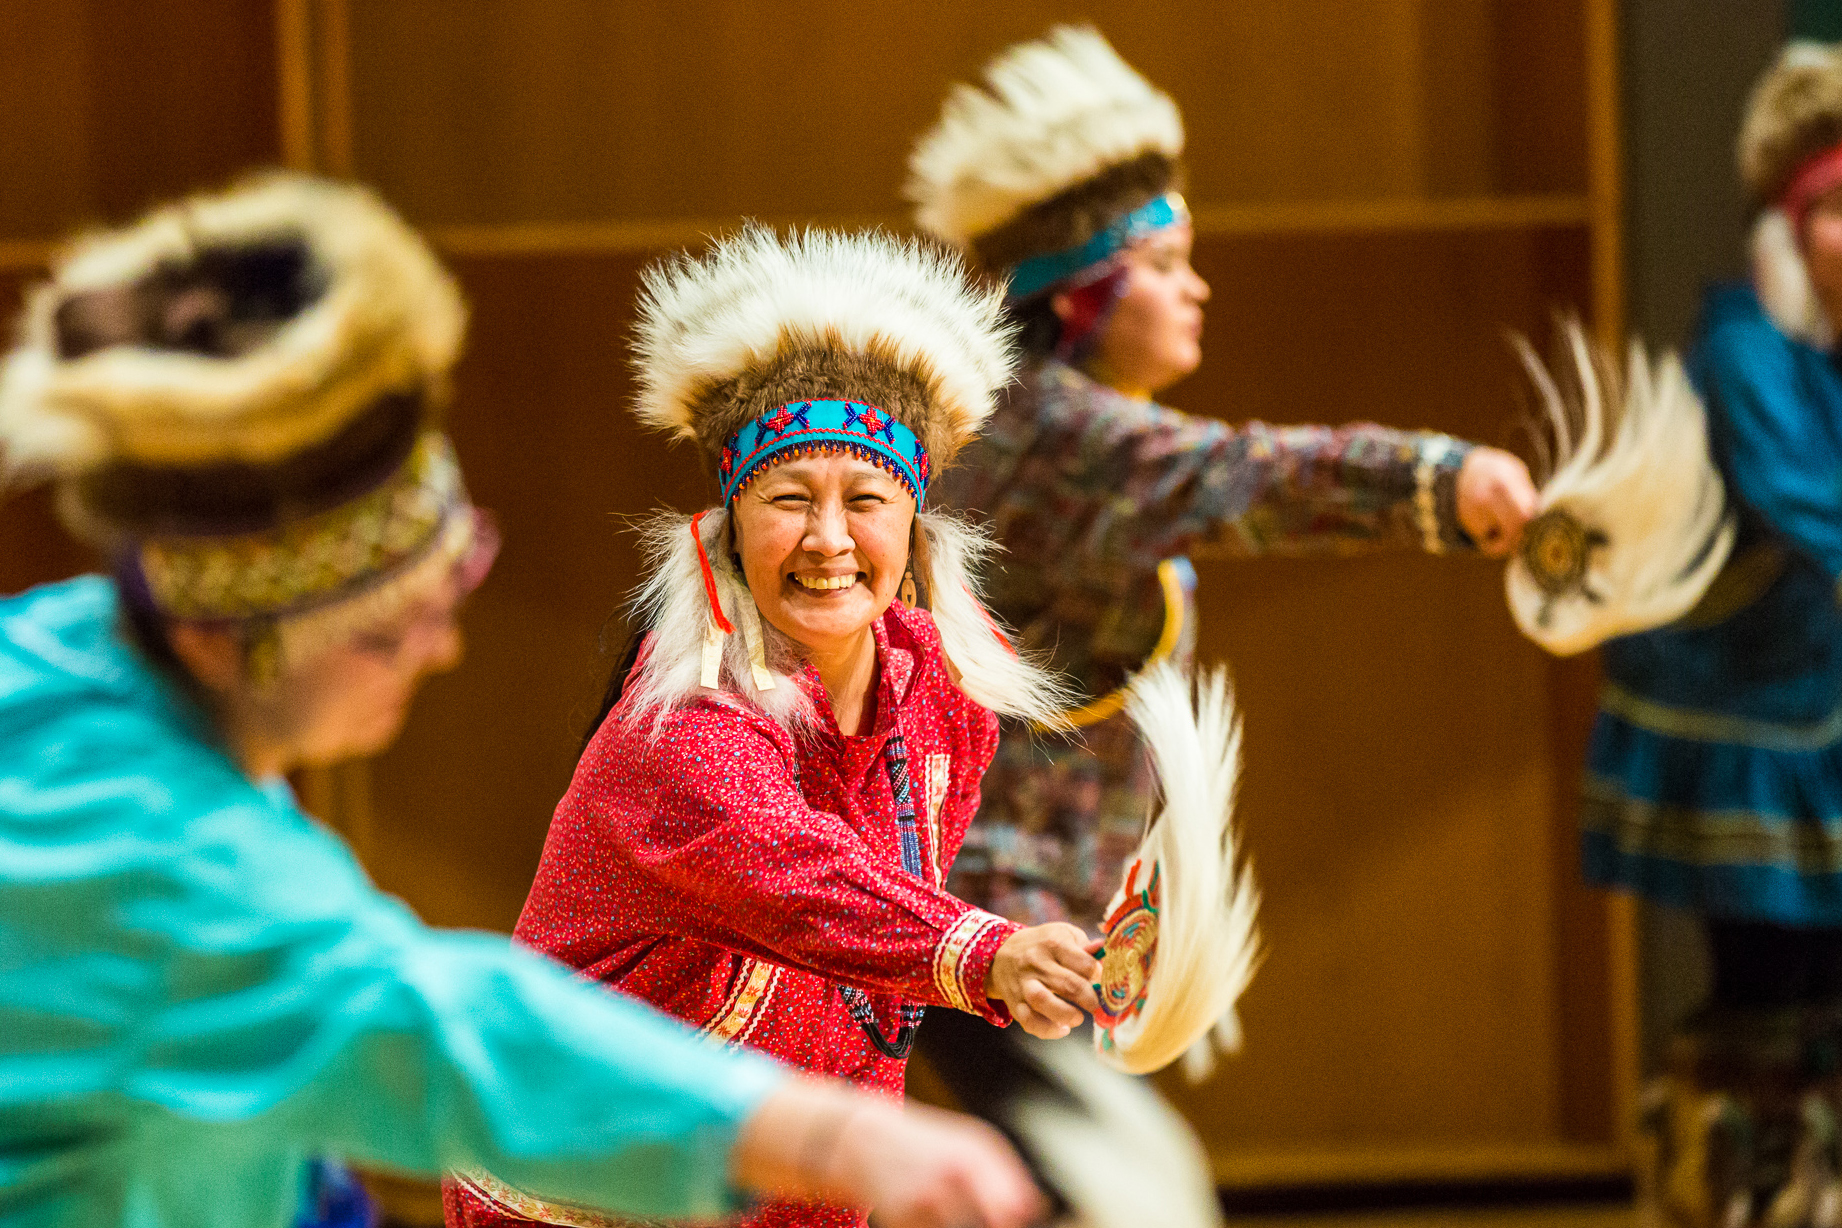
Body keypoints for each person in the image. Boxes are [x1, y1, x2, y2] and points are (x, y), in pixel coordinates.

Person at [0, 175, 1046, 1228]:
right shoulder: (175, 871)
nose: (443, 646)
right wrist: (836, 1137)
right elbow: (439, 1031)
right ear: (226, 640)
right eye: (389, 622)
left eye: (451, 581)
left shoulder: (63, 646)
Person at [900, 23, 1540, 1217]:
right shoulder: (1069, 440)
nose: (1199, 288)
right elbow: (1256, 475)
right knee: (1139, 1194)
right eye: (1170, 260)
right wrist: (1442, 480)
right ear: (1087, 289)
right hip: (989, 915)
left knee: (1110, 1190)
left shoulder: (1029, 425)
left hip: (1002, 913)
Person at [444, 226, 1097, 1228]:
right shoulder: (683, 725)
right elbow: (797, 878)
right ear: (733, 526)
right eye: (790, 499)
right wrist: (987, 952)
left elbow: (866, 985)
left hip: (779, 1178)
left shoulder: (944, 691)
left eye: (866, 501)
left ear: (914, 525)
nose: (830, 541)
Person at [1583, 42, 1842, 1228]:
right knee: (1765, 987)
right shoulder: (1747, 345)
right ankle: (1733, 1202)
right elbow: (1801, 497)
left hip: (1817, 707)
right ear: (1787, 227)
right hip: (1745, 716)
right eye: (1830, 207)